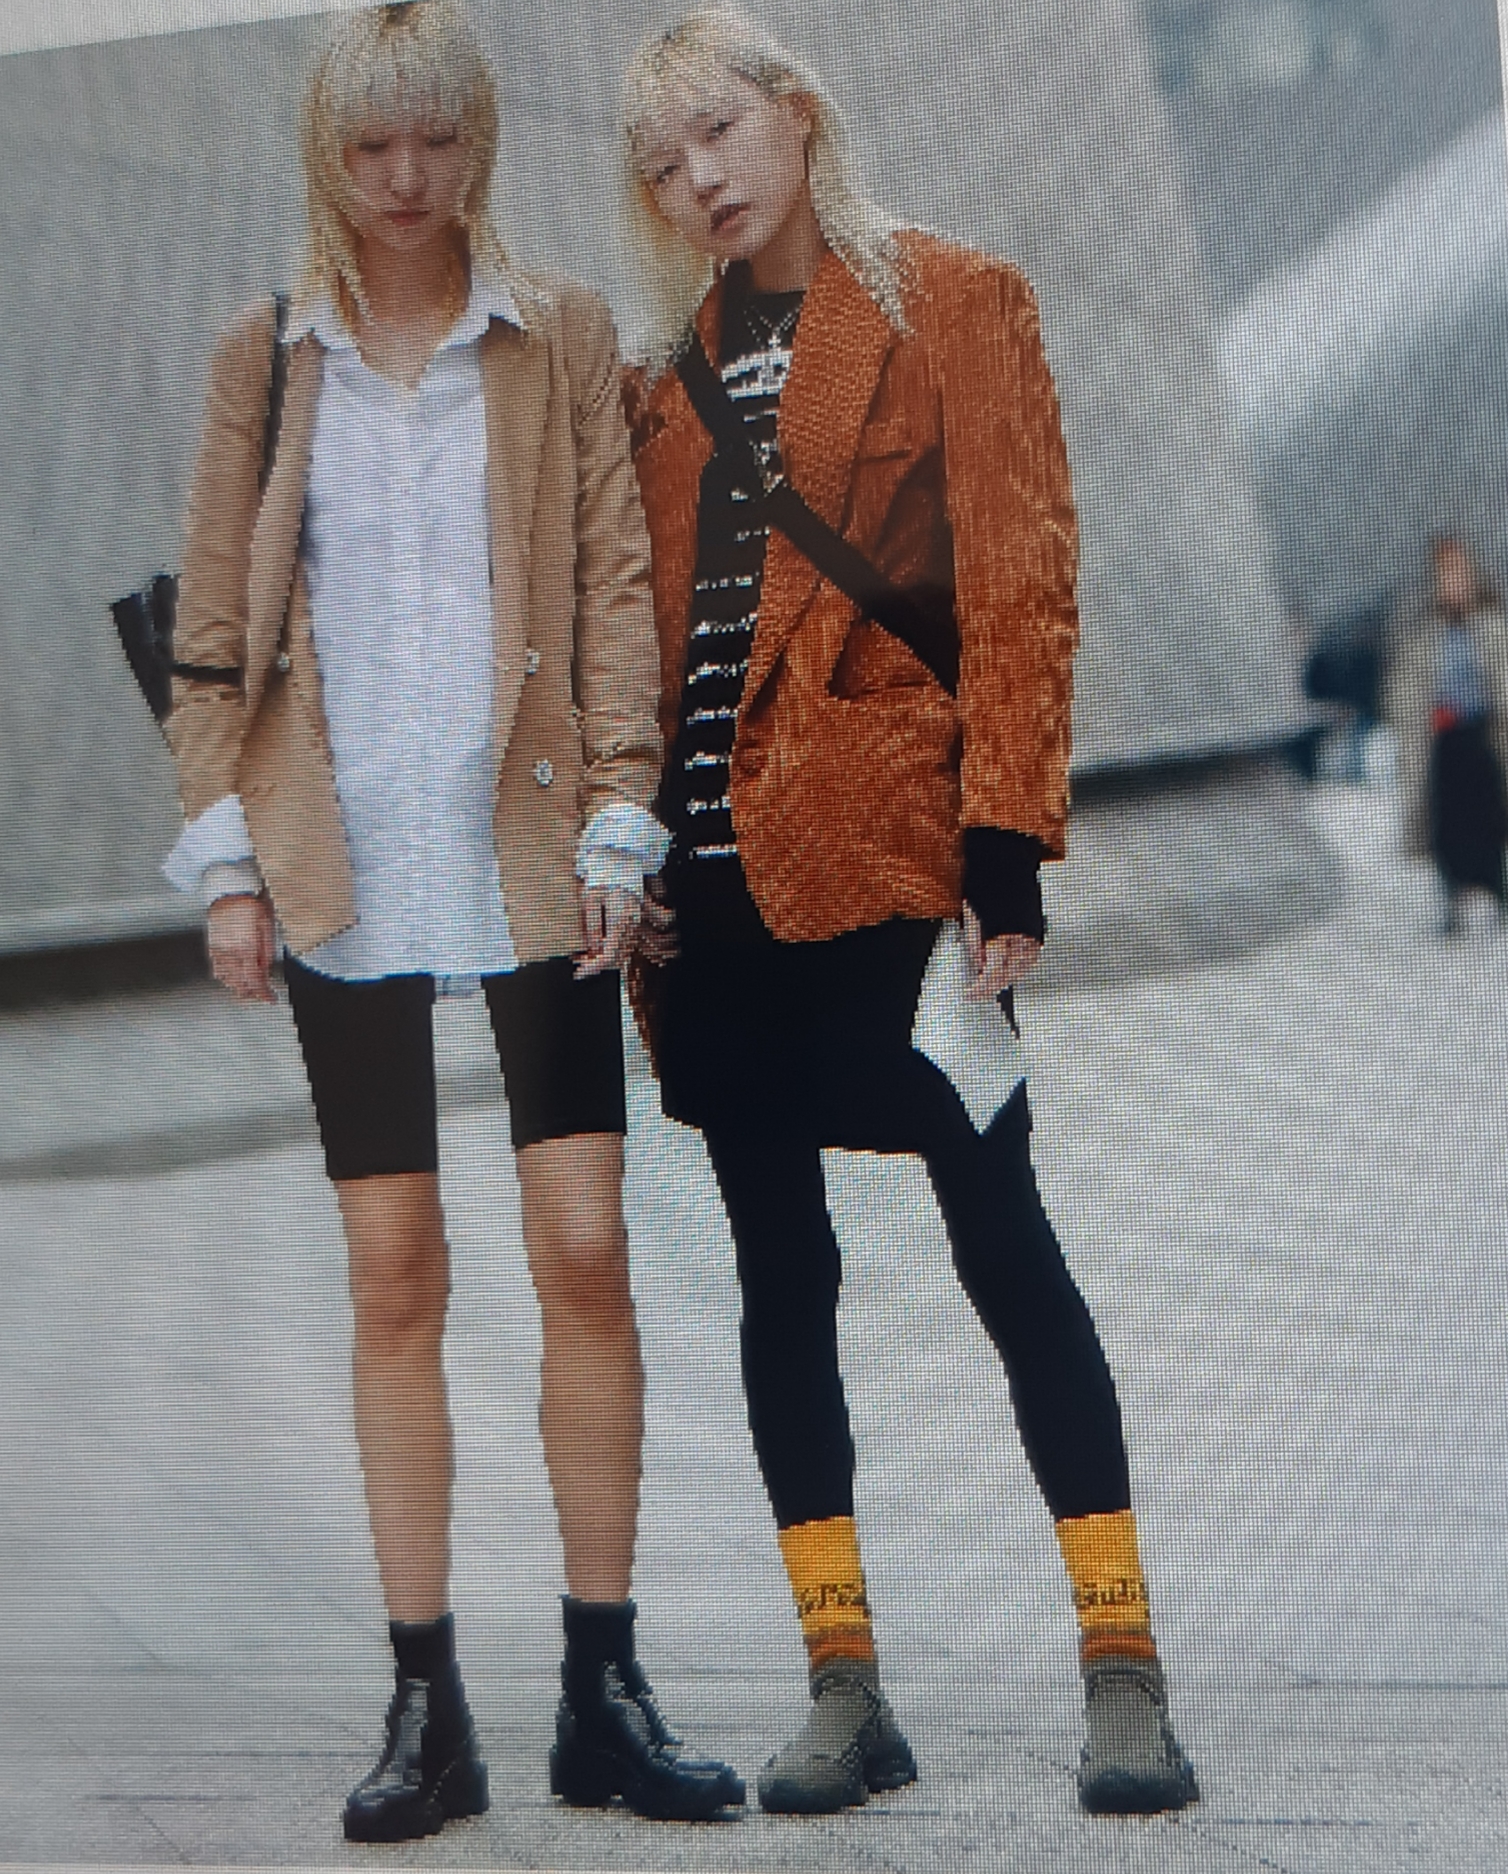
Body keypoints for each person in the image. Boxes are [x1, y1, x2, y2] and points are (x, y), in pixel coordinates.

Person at [161, 0, 742, 1841]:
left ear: (478, 144)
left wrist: (626, 811)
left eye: (437, 142)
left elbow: (617, 580)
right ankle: (427, 1703)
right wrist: (227, 858)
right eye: (371, 147)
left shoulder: (553, 331)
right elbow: (210, 631)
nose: (406, 181)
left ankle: (603, 1688)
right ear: (327, 155)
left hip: (533, 850)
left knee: (584, 1247)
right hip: (340, 864)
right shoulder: (266, 353)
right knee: (393, 1270)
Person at [617, 6, 1198, 1820]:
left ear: (796, 113)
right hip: (716, 887)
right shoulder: (665, 384)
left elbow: (1022, 578)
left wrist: (1004, 840)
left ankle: (1122, 1668)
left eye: (719, 132)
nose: (699, 179)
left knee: (999, 1233)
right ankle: (842, 1682)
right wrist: (629, 856)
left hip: (894, 851)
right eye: (663, 164)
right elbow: (646, 641)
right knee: (777, 1271)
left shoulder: (957, 301)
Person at [1388, 534, 1508, 935]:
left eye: (1459, 572)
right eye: (1445, 574)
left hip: (1484, 739)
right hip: (1443, 744)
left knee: (1489, 821)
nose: (1453, 582)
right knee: (1449, 826)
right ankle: (1454, 896)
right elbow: (1406, 692)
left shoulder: (1492, 627)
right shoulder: (1423, 636)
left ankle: (1495, 891)